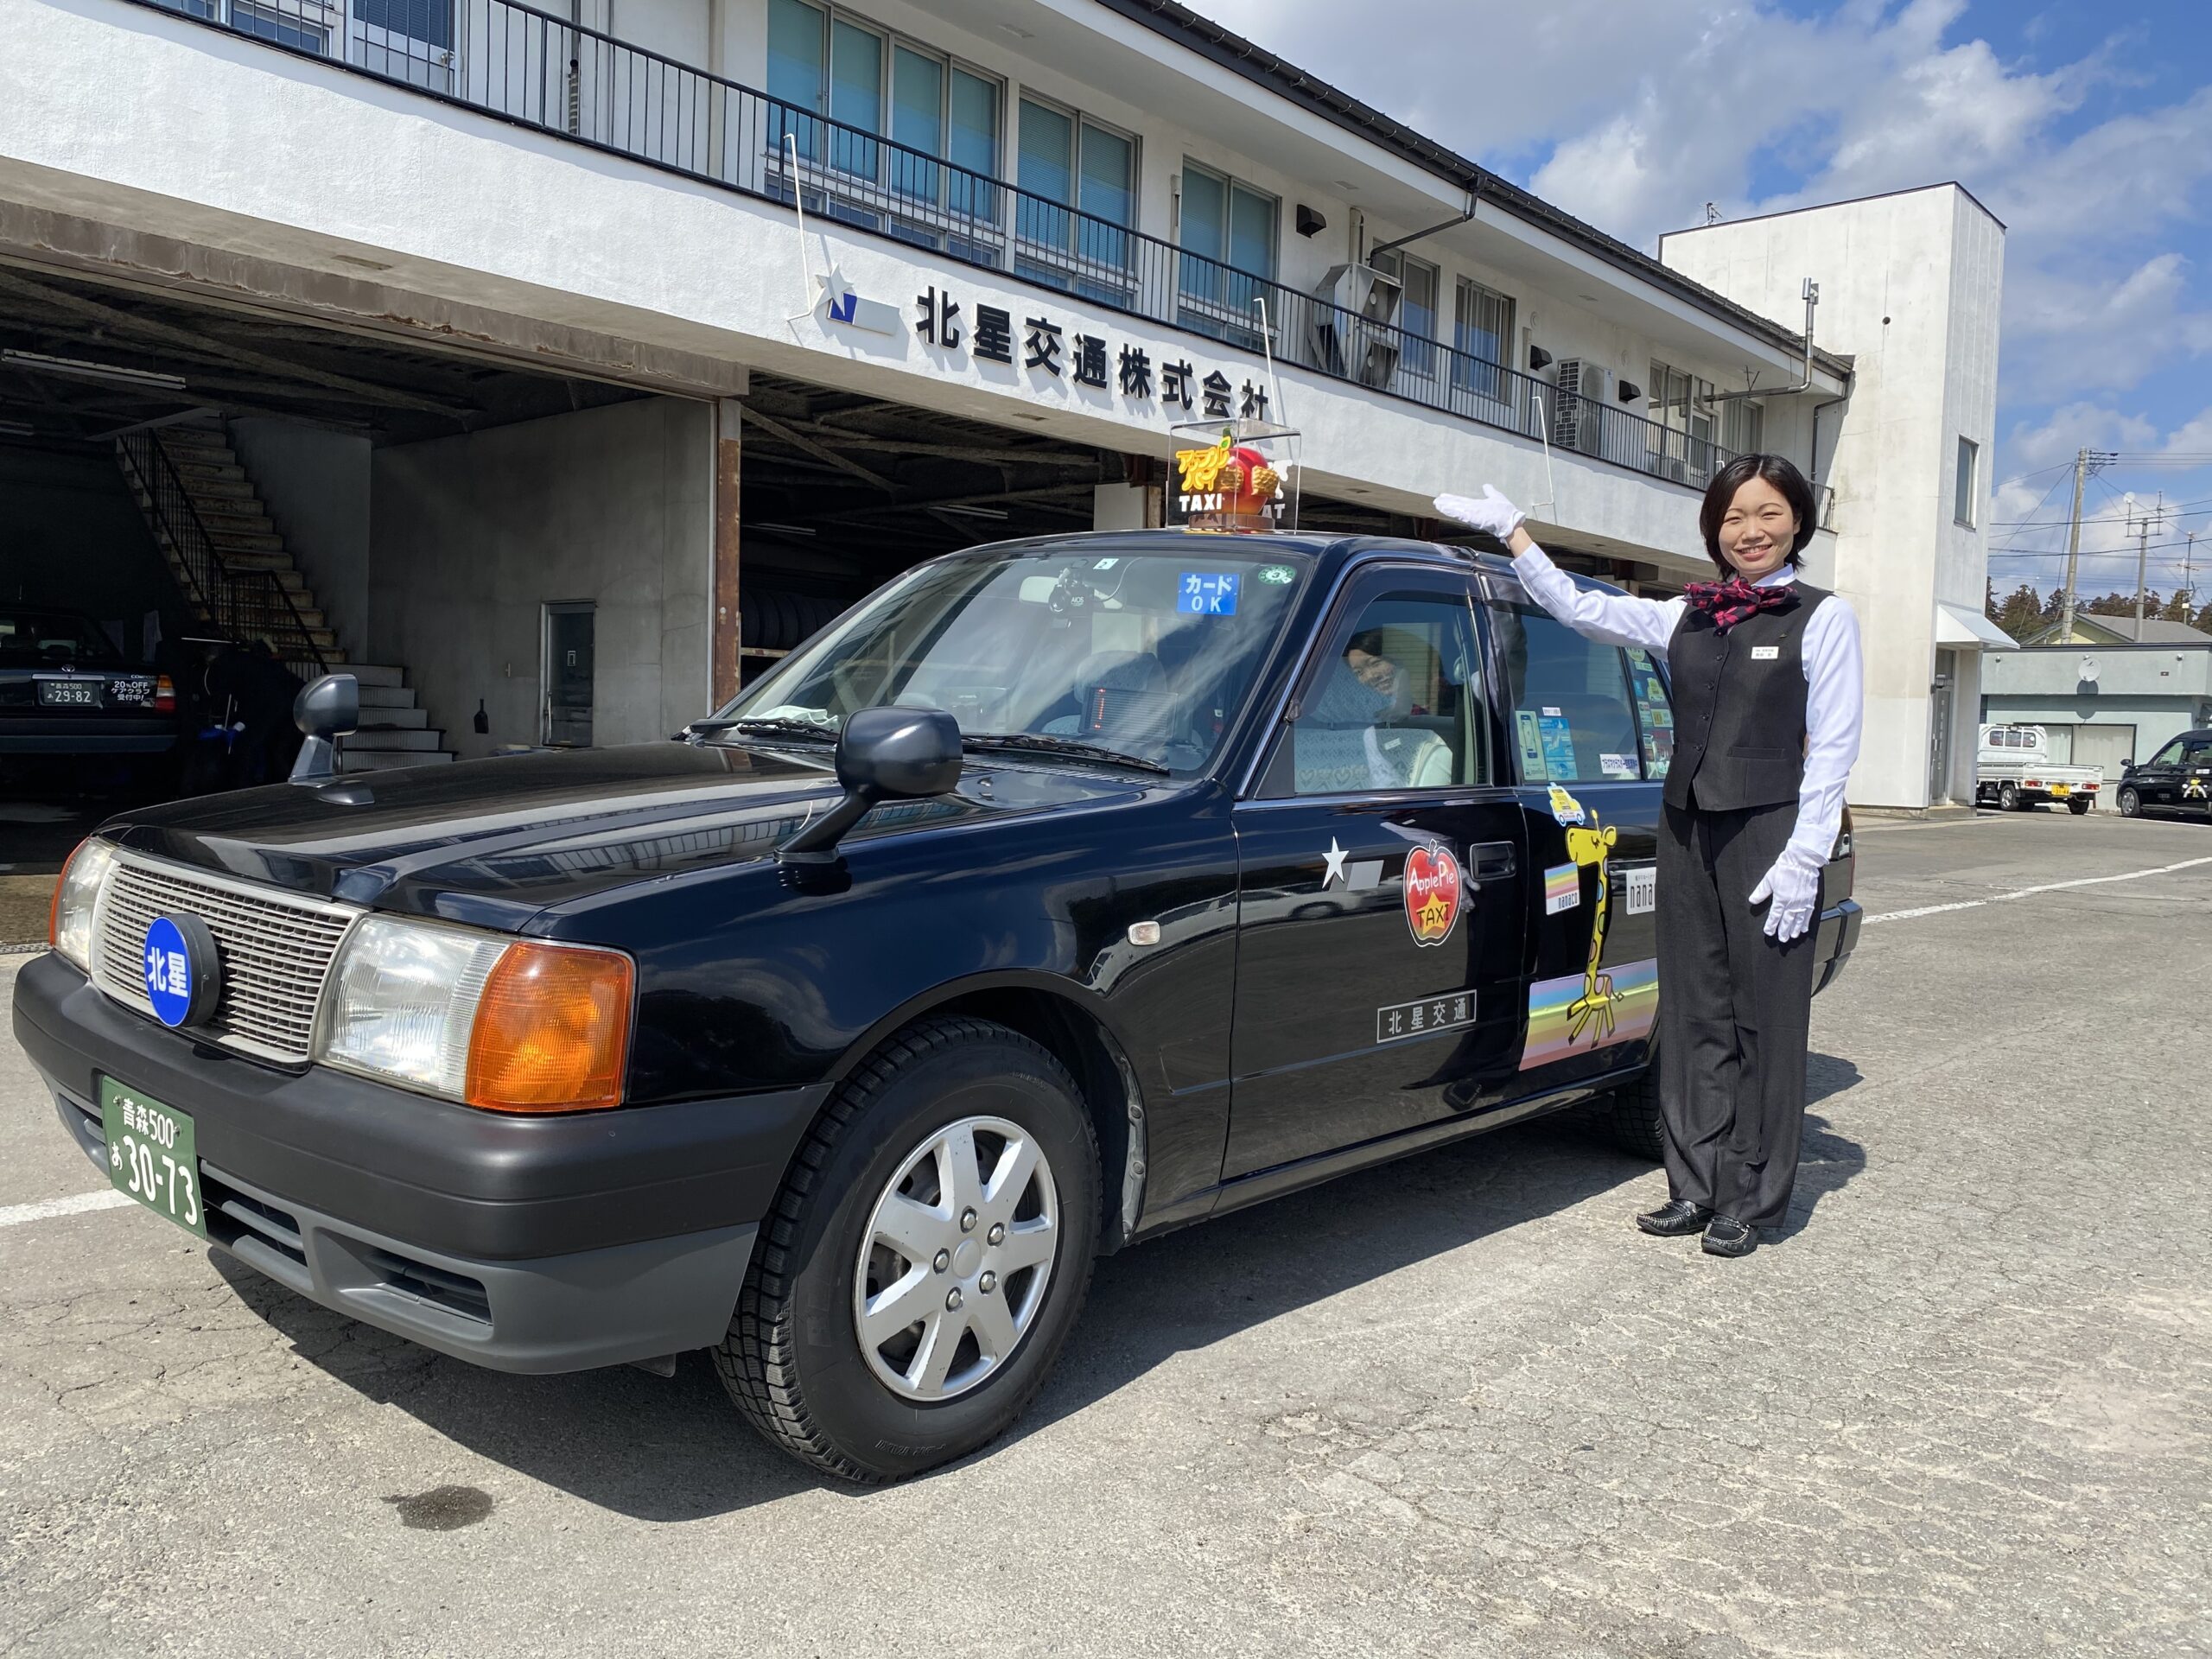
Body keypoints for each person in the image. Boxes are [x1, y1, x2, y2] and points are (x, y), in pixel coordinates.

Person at [1435, 455, 1863, 1258]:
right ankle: (1694, 1184)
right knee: (1695, 1007)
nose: (1751, 531)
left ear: (1798, 522)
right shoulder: (1685, 615)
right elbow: (1582, 609)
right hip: (1687, 827)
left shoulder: (1823, 617)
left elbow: (1834, 746)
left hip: (1770, 832)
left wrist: (1806, 856)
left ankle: (1751, 1196)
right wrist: (1516, 534)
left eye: (1769, 514)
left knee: (1763, 1016)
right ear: (1714, 529)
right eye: (1734, 518)